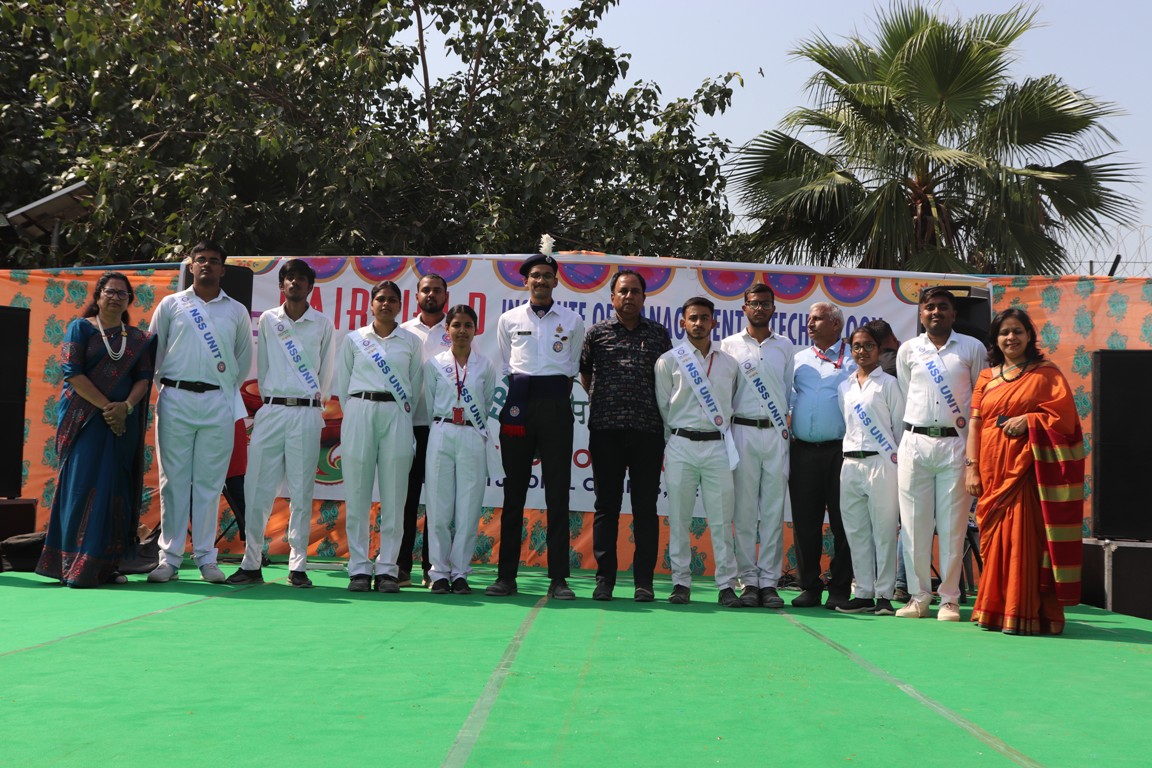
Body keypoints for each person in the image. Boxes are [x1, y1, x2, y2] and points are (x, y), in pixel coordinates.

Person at [964, 309, 1083, 635]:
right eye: (1004, 332)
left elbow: (1066, 424)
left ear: (1029, 336)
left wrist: (1031, 420)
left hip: (1028, 473)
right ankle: (993, 609)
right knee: (994, 541)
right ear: (996, 339)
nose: (1011, 338)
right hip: (992, 470)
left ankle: (1024, 612)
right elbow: (975, 425)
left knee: (1024, 543)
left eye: (1017, 331)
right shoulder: (986, 378)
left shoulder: (1046, 375)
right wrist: (972, 468)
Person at [35, 272, 155, 587]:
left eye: (122, 294)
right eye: (110, 292)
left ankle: (108, 566)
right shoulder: (81, 328)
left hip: (122, 423)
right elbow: (73, 373)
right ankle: (73, 565)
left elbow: (144, 379)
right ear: (98, 296)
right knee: (82, 485)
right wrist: (108, 408)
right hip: (84, 420)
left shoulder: (138, 339)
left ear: (129, 300)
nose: (115, 298)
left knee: (116, 488)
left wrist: (124, 408)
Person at [226, 259, 335, 588]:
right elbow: (263, 365)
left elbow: (326, 373)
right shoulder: (269, 320)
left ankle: (297, 565)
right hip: (272, 409)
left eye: (301, 279)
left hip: (306, 411)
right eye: (289, 278)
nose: (295, 283)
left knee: (301, 491)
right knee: (257, 488)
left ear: (310, 286)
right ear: (281, 285)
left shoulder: (322, 323)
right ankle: (251, 562)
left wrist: (312, 404)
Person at [149, 242, 253, 584]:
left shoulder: (236, 310)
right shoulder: (171, 305)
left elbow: (242, 360)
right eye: (201, 260)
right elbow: (154, 352)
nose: (207, 265)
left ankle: (207, 558)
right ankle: (169, 558)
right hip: (175, 398)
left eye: (214, 261)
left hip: (217, 401)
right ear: (191, 266)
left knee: (210, 482)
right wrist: (172, 387)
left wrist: (218, 389)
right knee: (173, 482)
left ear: (223, 269)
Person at [487, 253, 585, 600]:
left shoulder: (572, 320)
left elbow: (572, 364)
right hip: (519, 405)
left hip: (555, 404)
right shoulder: (509, 319)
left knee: (557, 493)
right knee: (514, 493)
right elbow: (506, 361)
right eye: (535, 275)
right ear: (525, 281)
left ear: (556, 281)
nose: (540, 281)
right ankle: (506, 577)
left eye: (546, 275)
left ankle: (559, 579)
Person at [580, 269, 672, 602]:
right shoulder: (596, 333)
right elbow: (585, 375)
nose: (629, 296)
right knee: (607, 507)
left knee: (645, 508)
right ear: (612, 297)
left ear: (644, 297)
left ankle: (643, 581)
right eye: (623, 291)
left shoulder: (659, 335)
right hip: (606, 430)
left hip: (649, 432)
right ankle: (604, 579)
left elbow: (668, 379)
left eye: (635, 291)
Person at [895, 287, 986, 620]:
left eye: (943, 307)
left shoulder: (972, 348)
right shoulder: (908, 350)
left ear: (954, 313)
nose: (936, 312)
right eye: (930, 307)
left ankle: (949, 599)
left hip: (955, 444)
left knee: (952, 525)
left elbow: (979, 400)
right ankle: (918, 596)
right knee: (913, 524)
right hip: (915, 442)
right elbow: (906, 390)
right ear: (921, 314)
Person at [335, 280, 423, 593]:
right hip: (359, 410)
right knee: (357, 493)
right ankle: (359, 567)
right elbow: (342, 385)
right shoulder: (354, 339)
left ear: (400, 305)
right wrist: (357, 411)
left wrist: (398, 412)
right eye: (380, 299)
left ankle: (388, 569)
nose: (386, 304)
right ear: (371, 304)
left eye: (392, 299)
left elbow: (414, 385)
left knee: (395, 496)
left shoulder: (411, 341)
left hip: (397, 414)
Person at [655, 296, 742, 608]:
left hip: (717, 445)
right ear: (682, 322)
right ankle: (680, 582)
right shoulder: (668, 361)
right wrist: (674, 441)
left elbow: (733, 403)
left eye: (704, 318)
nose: (698, 323)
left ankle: (726, 585)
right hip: (681, 444)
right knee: (679, 518)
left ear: (714, 322)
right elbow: (663, 406)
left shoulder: (729, 363)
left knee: (721, 520)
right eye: (692, 318)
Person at [721, 283, 794, 609]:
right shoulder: (729, 345)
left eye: (765, 303)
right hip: (742, 431)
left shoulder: (786, 346)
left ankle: (769, 582)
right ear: (744, 308)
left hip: (776, 433)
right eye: (754, 303)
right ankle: (748, 581)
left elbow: (787, 391)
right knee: (745, 512)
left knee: (773, 510)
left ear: (774, 308)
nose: (760, 308)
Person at [423, 304, 496, 595]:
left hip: (472, 433)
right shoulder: (435, 364)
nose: (462, 331)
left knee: (468, 508)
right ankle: (439, 572)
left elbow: (487, 403)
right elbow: (429, 402)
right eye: (456, 325)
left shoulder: (485, 365)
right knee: (439, 507)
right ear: (447, 329)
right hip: (441, 431)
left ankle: (460, 572)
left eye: (468, 325)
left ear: (476, 329)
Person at [789, 302, 856, 609]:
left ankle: (840, 588)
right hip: (803, 451)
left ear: (836, 324)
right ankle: (809, 586)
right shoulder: (799, 359)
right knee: (805, 522)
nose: (810, 324)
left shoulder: (853, 358)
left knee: (844, 522)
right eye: (809, 319)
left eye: (817, 319)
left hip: (841, 451)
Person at [835, 325, 906, 615]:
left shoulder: (889, 384)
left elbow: (899, 427)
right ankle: (864, 593)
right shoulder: (845, 386)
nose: (862, 351)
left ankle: (884, 595)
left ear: (878, 349)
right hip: (851, 464)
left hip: (882, 462)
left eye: (868, 346)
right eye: (856, 346)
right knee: (856, 532)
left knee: (884, 531)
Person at [399, 273, 452, 587]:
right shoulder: (403, 331)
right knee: (405, 499)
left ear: (446, 295)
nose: (431, 295)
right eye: (425, 290)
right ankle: (401, 566)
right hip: (407, 425)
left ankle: (434, 568)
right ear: (417, 295)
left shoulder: (455, 330)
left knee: (438, 501)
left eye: (437, 290)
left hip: (442, 427)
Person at [864, 318, 909, 602]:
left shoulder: (884, 367)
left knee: (878, 522)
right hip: (901, 449)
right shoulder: (893, 362)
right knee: (903, 520)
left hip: (884, 453)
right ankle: (900, 582)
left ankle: (879, 582)